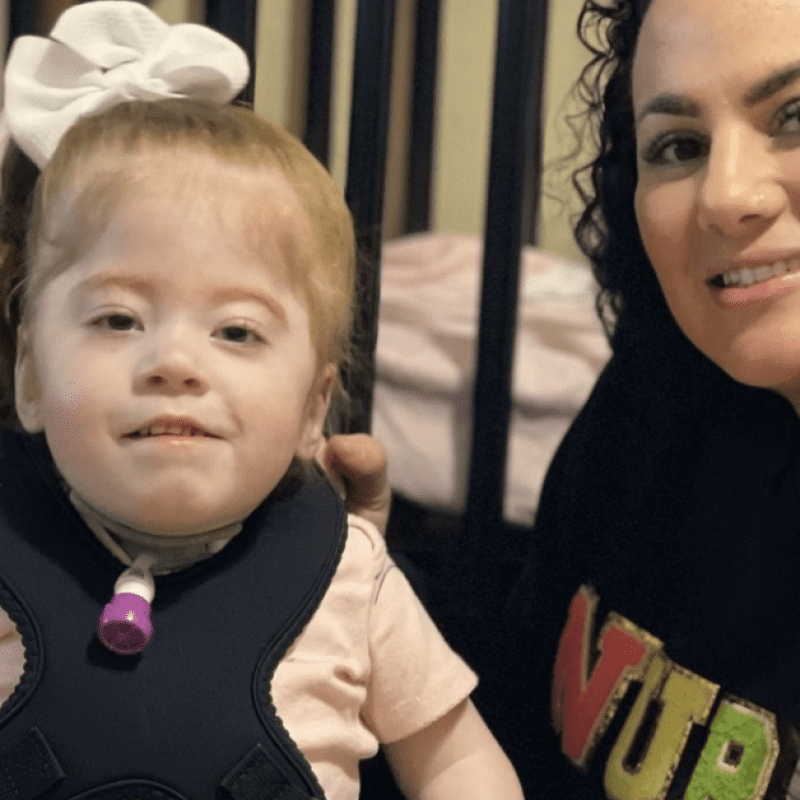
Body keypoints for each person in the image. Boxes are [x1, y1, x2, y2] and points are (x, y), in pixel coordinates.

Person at [0, 4, 524, 800]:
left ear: (315, 409)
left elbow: (456, 762)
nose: (174, 362)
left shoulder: (350, 572)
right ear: (30, 376)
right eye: (118, 318)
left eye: (237, 332)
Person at [328, 0, 800, 797]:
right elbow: (510, 721)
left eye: (793, 116)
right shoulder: (649, 409)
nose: (725, 195)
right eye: (678, 146)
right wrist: (351, 579)